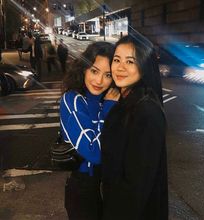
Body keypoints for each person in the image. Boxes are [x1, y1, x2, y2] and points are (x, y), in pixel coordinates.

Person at [101, 34, 168, 220]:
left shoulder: (146, 111)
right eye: (116, 60)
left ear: (144, 66)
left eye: (130, 61)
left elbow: (136, 188)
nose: (120, 67)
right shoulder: (124, 100)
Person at [60, 41, 120, 220]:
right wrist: (108, 109)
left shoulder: (106, 98)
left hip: (106, 184)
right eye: (94, 71)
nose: (99, 81)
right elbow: (94, 153)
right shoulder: (73, 100)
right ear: (84, 68)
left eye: (108, 75)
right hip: (82, 188)